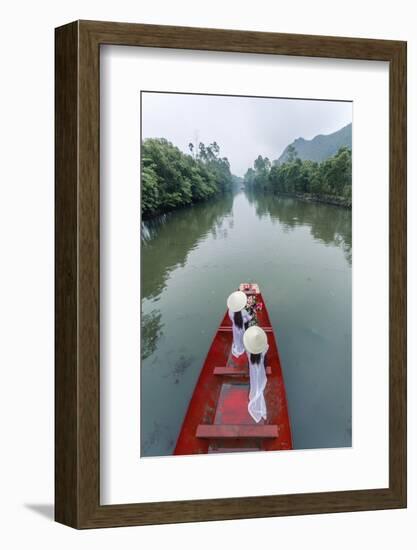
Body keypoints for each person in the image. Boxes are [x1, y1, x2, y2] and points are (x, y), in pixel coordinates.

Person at [243, 325, 269, 423]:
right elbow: (266, 347)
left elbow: (248, 348)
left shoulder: (248, 352)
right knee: (260, 378)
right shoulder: (264, 349)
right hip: (261, 368)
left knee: (254, 378)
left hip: (252, 368)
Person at [227, 290, 252, 358]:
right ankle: (242, 347)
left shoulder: (230, 311)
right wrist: (251, 316)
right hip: (241, 327)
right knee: (242, 337)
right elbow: (249, 318)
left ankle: (239, 348)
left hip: (235, 327)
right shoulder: (244, 312)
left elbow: (232, 319)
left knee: (237, 338)